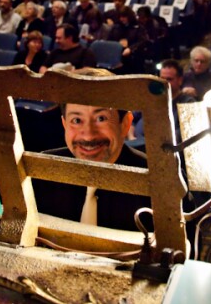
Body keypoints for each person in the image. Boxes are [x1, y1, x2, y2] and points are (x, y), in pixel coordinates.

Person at [32, 67, 149, 231]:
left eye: (101, 119)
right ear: (64, 124)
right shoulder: (42, 172)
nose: (88, 136)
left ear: (126, 124)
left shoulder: (158, 181)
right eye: (76, 120)